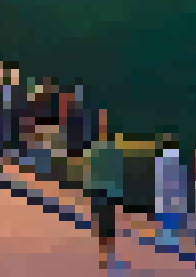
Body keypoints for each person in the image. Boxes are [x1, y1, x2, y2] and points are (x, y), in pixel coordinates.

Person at [85, 109, 126, 270]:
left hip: (102, 191)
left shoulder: (98, 148)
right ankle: (106, 252)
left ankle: (105, 253)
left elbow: (91, 170)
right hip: (106, 191)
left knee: (104, 223)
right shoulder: (110, 148)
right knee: (106, 223)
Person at [154, 134, 189, 248]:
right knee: (171, 220)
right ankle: (170, 243)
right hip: (172, 197)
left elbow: (159, 181)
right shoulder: (176, 162)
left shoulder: (160, 161)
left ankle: (167, 242)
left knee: (167, 220)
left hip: (167, 197)